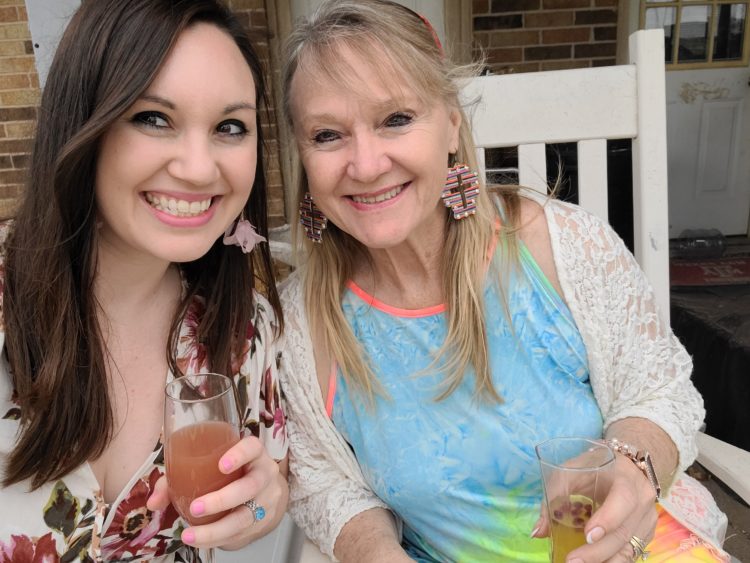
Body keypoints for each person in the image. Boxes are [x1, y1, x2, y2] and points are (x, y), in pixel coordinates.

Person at [278, 1, 730, 562]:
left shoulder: (561, 248)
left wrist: (635, 464)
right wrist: (374, 552)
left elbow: (658, 390)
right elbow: (325, 481)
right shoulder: (301, 323)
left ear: (451, 125)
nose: (366, 165)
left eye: (396, 119)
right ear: (301, 155)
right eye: (327, 135)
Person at [0, 0, 288, 560]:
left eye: (231, 127)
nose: (200, 167)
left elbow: (269, 484)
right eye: (154, 118)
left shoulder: (245, 328)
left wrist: (265, 505)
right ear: (84, 123)